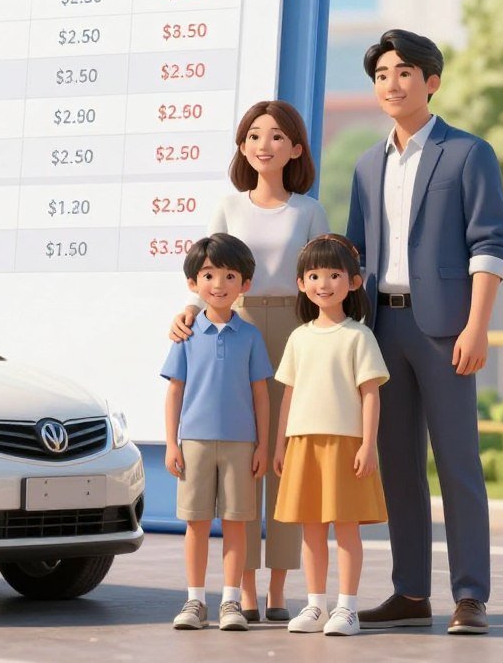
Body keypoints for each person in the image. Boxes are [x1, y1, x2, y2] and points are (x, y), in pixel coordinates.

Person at [347, 29, 503, 636]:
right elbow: (353, 254)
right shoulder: (367, 164)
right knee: (397, 466)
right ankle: (410, 592)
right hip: (382, 327)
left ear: (432, 81)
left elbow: (490, 243)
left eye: (404, 73)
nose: (392, 83)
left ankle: (470, 595)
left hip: (447, 332)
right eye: (382, 74)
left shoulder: (469, 154)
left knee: (459, 464)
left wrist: (477, 325)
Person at [169, 100, 328, 621]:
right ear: (242, 146)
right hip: (235, 325)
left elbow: (320, 279)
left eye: (278, 136)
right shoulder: (228, 206)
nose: (265, 144)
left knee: (282, 457)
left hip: (295, 329)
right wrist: (189, 312)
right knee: (244, 459)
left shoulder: (309, 210)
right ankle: (245, 590)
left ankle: (281, 587)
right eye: (255, 135)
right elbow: (209, 267)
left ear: (296, 149)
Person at [273, 234, 389, 637]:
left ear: (353, 282)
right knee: (310, 528)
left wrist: (368, 444)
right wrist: (280, 444)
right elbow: (288, 396)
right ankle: (315, 605)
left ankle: (347, 608)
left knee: (346, 528)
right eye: (314, 275)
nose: (324, 283)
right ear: (302, 283)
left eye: (334, 274)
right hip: (304, 443)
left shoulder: (359, 337)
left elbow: (370, 394)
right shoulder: (299, 337)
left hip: (346, 443)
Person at [161, 233, 273, 632]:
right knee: (195, 522)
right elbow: (175, 391)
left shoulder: (251, 336)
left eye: (230, 276)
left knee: (237, 522)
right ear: (194, 283)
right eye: (209, 275)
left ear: (245, 285)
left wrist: (264, 444)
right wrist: (173, 442)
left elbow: (261, 394)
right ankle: (194, 600)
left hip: (242, 445)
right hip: (194, 443)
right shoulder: (186, 335)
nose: (219, 285)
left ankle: (230, 601)